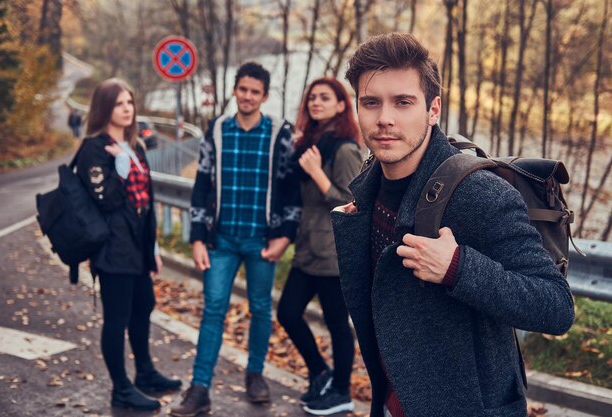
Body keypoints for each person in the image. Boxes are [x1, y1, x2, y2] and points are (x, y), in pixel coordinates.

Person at [330, 33, 575, 417]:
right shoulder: (369, 186)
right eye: (371, 102)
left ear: (433, 110)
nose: (385, 118)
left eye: (403, 102)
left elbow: (555, 306)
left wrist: (458, 267)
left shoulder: (480, 195)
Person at [170, 62, 300, 417]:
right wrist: (197, 238)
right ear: (234, 90)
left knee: (260, 309)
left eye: (254, 91)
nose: (247, 96)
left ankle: (255, 374)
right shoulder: (217, 131)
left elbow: (291, 190)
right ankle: (199, 390)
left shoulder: (279, 134)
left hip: (263, 241)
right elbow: (201, 186)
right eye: (242, 89)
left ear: (264, 96)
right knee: (213, 309)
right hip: (221, 240)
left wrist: (285, 237)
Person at [77, 78, 182, 411]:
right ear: (105, 108)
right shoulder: (93, 149)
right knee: (117, 318)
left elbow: (146, 202)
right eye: (119, 103)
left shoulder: (136, 146)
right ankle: (120, 389)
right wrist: (118, 170)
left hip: (137, 247)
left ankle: (145, 373)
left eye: (129, 103)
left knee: (143, 306)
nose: (127, 109)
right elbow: (105, 200)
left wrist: (152, 249)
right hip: (112, 250)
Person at [276, 77, 362, 415]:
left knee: (337, 324)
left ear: (341, 105)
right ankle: (320, 374)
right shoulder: (310, 145)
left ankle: (341, 391)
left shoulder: (345, 149)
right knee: (287, 312)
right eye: (312, 98)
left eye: (325, 98)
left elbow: (353, 202)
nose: (316, 103)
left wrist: (317, 173)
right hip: (307, 247)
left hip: (332, 252)